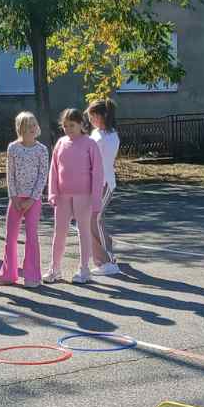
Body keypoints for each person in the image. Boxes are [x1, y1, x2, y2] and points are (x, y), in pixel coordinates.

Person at [45, 107, 103, 284]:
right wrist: (52, 192)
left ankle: (84, 269)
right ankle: (55, 269)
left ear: (81, 124)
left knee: (83, 232)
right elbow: (54, 170)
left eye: (72, 125)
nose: (68, 129)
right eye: (65, 126)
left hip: (83, 196)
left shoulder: (90, 144)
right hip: (63, 196)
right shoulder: (60, 143)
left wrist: (96, 199)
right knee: (59, 232)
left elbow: (98, 173)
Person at [0, 112, 49, 288]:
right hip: (16, 199)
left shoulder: (42, 150)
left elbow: (42, 176)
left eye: (34, 124)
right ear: (20, 129)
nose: (32, 128)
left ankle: (32, 276)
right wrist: (13, 196)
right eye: (28, 126)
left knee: (31, 237)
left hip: (33, 200)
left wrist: (32, 199)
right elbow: (10, 173)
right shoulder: (13, 148)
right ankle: (8, 274)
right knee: (10, 236)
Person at [86, 98, 122, 276]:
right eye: (90, 116)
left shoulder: (107, 137)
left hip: (104, 183)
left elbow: (94, 161)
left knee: (94, 220)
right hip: (96, 184)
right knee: (94, 220)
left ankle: (107, 262)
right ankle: (107, 250)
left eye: (94, 115)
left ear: (104, 116)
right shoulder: (97, 133)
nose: (91, 119)